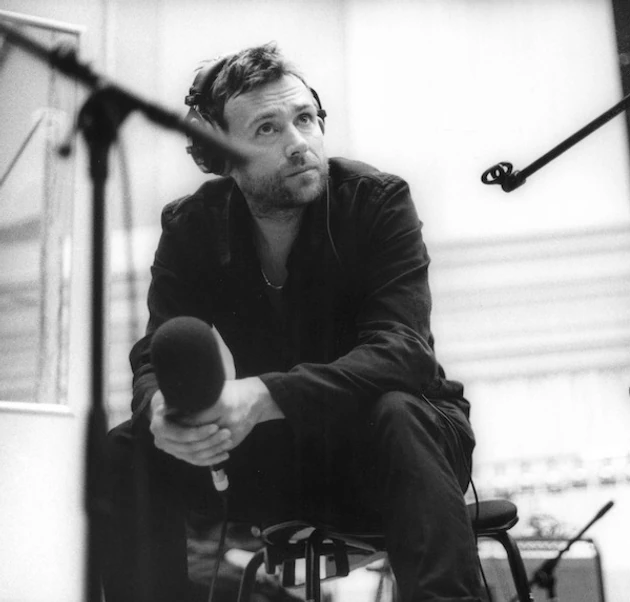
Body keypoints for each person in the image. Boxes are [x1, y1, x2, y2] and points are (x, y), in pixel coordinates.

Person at [101, 41, 484, 602]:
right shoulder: (192, 227)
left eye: (305, 118)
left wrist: (260, 396)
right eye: (267, 129)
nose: (299, 142)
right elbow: (155, 350)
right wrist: (161, 411)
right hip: (275, 460)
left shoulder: (377, 202)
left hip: (393, 450)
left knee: (398, 410)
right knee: (127, 448)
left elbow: (404, 354)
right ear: (221, 155)